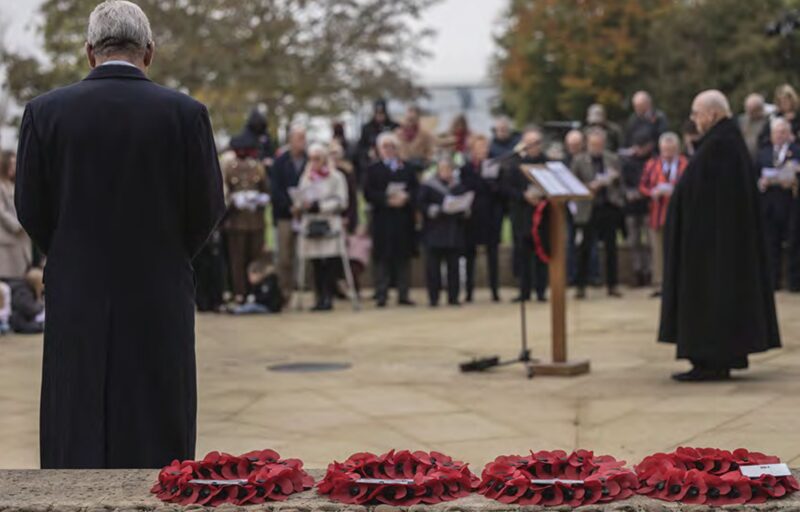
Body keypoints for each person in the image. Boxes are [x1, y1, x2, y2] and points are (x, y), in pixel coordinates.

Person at [14, 1, 225, 468]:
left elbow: (29, 206)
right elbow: (207, 207)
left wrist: (71, 252)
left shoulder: (44, 113)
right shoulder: (186, 114)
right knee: (158, 417)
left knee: (76, 412)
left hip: (77, 287)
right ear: (148, 51)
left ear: (90, 52)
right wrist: (168, 253)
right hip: (158, 287)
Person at [659, 90, 780, 381]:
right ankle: (714, 358)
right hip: (716, 242)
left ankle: (711, 360)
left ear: (712, 113)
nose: (693, 120)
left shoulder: (720, 145)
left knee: (713, 297)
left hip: (713, 246)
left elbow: (705, 197)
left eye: (696, 113)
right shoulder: (724, 141)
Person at [364, 132, 418, 307]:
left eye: (391, 146)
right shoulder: (373, 169)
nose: (388, 150)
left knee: (403, 258)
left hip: (402, 219)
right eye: (385, 147)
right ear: (379, 150)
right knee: (382, 258)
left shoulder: (407, 168)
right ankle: (381, 293)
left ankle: (403, 293)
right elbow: (368, 193)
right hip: (382, 219)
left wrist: (406, 197)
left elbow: (416, 189)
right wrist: (386, 199)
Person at [294, 144, 349, 312]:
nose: (314, 162)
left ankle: (328, 296)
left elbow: (342, 201)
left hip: (329, 222)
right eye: (311, 159)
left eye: (317, 158)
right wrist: (302, 204)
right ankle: (319, 297)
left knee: (329, 261)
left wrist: (322, 206)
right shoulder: (306, 177)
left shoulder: (336, 177)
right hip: (311, 223)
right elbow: (299, 197)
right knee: (316, 262)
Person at [572, 129, 625, 298]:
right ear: (588, 144)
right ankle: (581, 285)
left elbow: (620, 183)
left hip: (608, 206)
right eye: (594, 144)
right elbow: (573, 182)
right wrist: (589, 186)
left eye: (600, 144)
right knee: (584, 248)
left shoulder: (612, 158)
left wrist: (614, 179)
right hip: (588, 208)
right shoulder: (579, 160)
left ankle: (613, 284)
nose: (597, 147)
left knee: (611, 247)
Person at [501, 127, 549, 302]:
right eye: (529, 144)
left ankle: (541, 290)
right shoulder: (515, 165)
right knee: (522, 254)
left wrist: (542, 195)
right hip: (522, 214)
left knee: (541, 253)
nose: (532, 147)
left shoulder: (548, 163)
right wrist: (523, 195)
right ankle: (524, 290)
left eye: (535, 143)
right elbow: (507, 188)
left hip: (542, 214)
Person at [222, 134, 269, 303]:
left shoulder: (257, 167)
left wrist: (259, 198)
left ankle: (255, 291)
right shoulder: (229, 167)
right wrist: (234, 200)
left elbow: (266, 190)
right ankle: (239, 292)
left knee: (255, 258)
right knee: (237, 259)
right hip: (236, 222)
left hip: (255, 221)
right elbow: (224, 191)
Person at [639, 132, 687, 297]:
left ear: (677, 149)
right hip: (657, 213)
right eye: (665, 150)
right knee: (657, 250)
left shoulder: (685, 164)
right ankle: (659, 284)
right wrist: (652, 192)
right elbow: (643, 186)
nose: (667, 153)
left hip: (679, 214)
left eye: (671, 150)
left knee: (678, 249)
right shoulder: (652, 164)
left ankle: (679, 283)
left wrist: (677, 191)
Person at [419, 156, 470, 307]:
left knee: (453, 267)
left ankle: (453, 297)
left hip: (453, 232)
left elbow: (465, 203)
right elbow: (421, 204)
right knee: (433, 268)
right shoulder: (428, 186)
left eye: (449, 170)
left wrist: (463, 209)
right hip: (434, 232)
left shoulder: (459, 186)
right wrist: (433, 209)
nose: (446, 172)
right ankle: (433, 298)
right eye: (443, 170)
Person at [757, 118, 799, 290]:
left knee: (794, 243)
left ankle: (794, 283)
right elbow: (754, 174)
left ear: (789, 134)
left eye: (783, 132)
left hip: (792, 203)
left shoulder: (796, 151)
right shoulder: (763, 153)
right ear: (772, 135)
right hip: (769, 204)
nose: (780, 135)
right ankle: (772, 281)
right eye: (776, 132)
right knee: (770, 243)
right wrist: (761, 183)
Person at [460, 135, 503, 302]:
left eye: (484, 148)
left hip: (491, 215)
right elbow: (467, 187)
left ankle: (494, 290)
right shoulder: (466, 169)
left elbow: (499, 190)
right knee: (470, 254)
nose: (482, 151)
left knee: (492, 255)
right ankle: (469, 291)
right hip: (473, 216)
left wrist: (490, 182)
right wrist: (483, 180)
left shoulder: (495, 166)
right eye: (478, 148)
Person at [270, 126, 307, 303]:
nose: (302, 141)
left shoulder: (309, 160)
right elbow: (275, 189)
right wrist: (290, 206)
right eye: (299, 138)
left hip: (305, 214)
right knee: (284, 256)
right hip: (285, 215)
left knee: (302, 256)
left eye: (304, 138)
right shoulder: (280, 162)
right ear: (290, 140)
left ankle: (301, 290)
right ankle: (284, 292)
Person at [621, 130, 656, 287]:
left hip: (648, 206)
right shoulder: (628, 162)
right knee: (634, 241)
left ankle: (649, 272)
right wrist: (628, 192)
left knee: (650, 242)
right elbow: (622, 182)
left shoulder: (654, 161)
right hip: (632, 206)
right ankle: (637, 271)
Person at [0, 151, 31, 280]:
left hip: (21, 246)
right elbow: (2, 212)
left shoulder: (14, 186)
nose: (14, 167)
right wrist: (18, 225)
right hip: (7, 245)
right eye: (11, 163)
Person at [356, 99, 398, 181]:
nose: (380, 116)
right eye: (377, 113)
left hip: (392, 159)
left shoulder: (394, 126)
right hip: (373, 159)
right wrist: (368, 152)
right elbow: (360, 147)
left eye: (382, 113)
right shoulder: (367, 128)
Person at [758, 84, 800, 150]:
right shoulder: (774, 117)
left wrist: (795, 138)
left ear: (792, 100)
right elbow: (763, 138)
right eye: (781, 101)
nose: (784, 103)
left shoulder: (798, 117)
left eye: (786, 100)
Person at [395, 105, 436, 170]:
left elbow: (430, 150)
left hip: (419, 167)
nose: (410, 122)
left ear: (417, 119)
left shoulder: (425, 134)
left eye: (413, 119)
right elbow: (394, 150)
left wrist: (426, 161)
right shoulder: (398, 133)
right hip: (402, 168)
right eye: (408, 119)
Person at [9, 266, 46, 334]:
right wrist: (41, 304)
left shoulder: (27, 291)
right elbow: (31, 309)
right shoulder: (23, 293)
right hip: (19, 322)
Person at [738, 93, 768, 164]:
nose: (749, 113)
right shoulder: (741, 121)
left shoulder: (767, 122)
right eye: (747, 109)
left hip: (759, 160)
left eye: (752, 110)